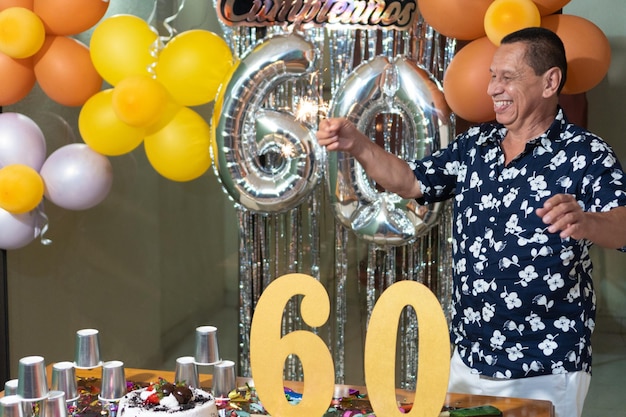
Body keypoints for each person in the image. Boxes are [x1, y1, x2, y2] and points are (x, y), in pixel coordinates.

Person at [316, 27, 626, 417]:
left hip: (546, 363)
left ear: (550, 82)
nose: (493, 88)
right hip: (468, 357)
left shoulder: (587, 154)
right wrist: (357, 144)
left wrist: (588, 223)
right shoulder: (475, 145)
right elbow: (411, 181)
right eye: (493, 76)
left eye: (507, 77)